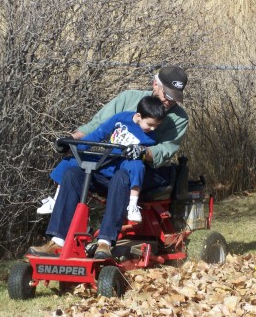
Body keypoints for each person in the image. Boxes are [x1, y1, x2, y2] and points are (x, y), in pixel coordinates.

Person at [28, 65, 189, 259]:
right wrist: (71, 139)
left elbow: (165, 150)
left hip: (141, 170)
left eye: (175, 97)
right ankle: (58, 241)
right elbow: (98, 125)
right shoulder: (128, 98)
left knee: (122, 178)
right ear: (155, 84)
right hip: (109, 162)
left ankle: (105, 242)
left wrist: (142, 152)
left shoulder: (179, 118)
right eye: (167, 94)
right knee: (73, 174)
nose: (169, 101)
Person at [39, 96, 167, 223]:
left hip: (123, 163)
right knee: (72, 161)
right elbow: (98, 134)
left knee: (137, 166)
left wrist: (140, 150)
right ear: (138, 116)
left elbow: (144, 151)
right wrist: (76, 147)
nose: (153, 129)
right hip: (106, 158)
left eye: (156, 126)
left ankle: (132, 205)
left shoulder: (150, 137)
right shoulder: (121, 118)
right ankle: (56, 200)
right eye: (150, 125)